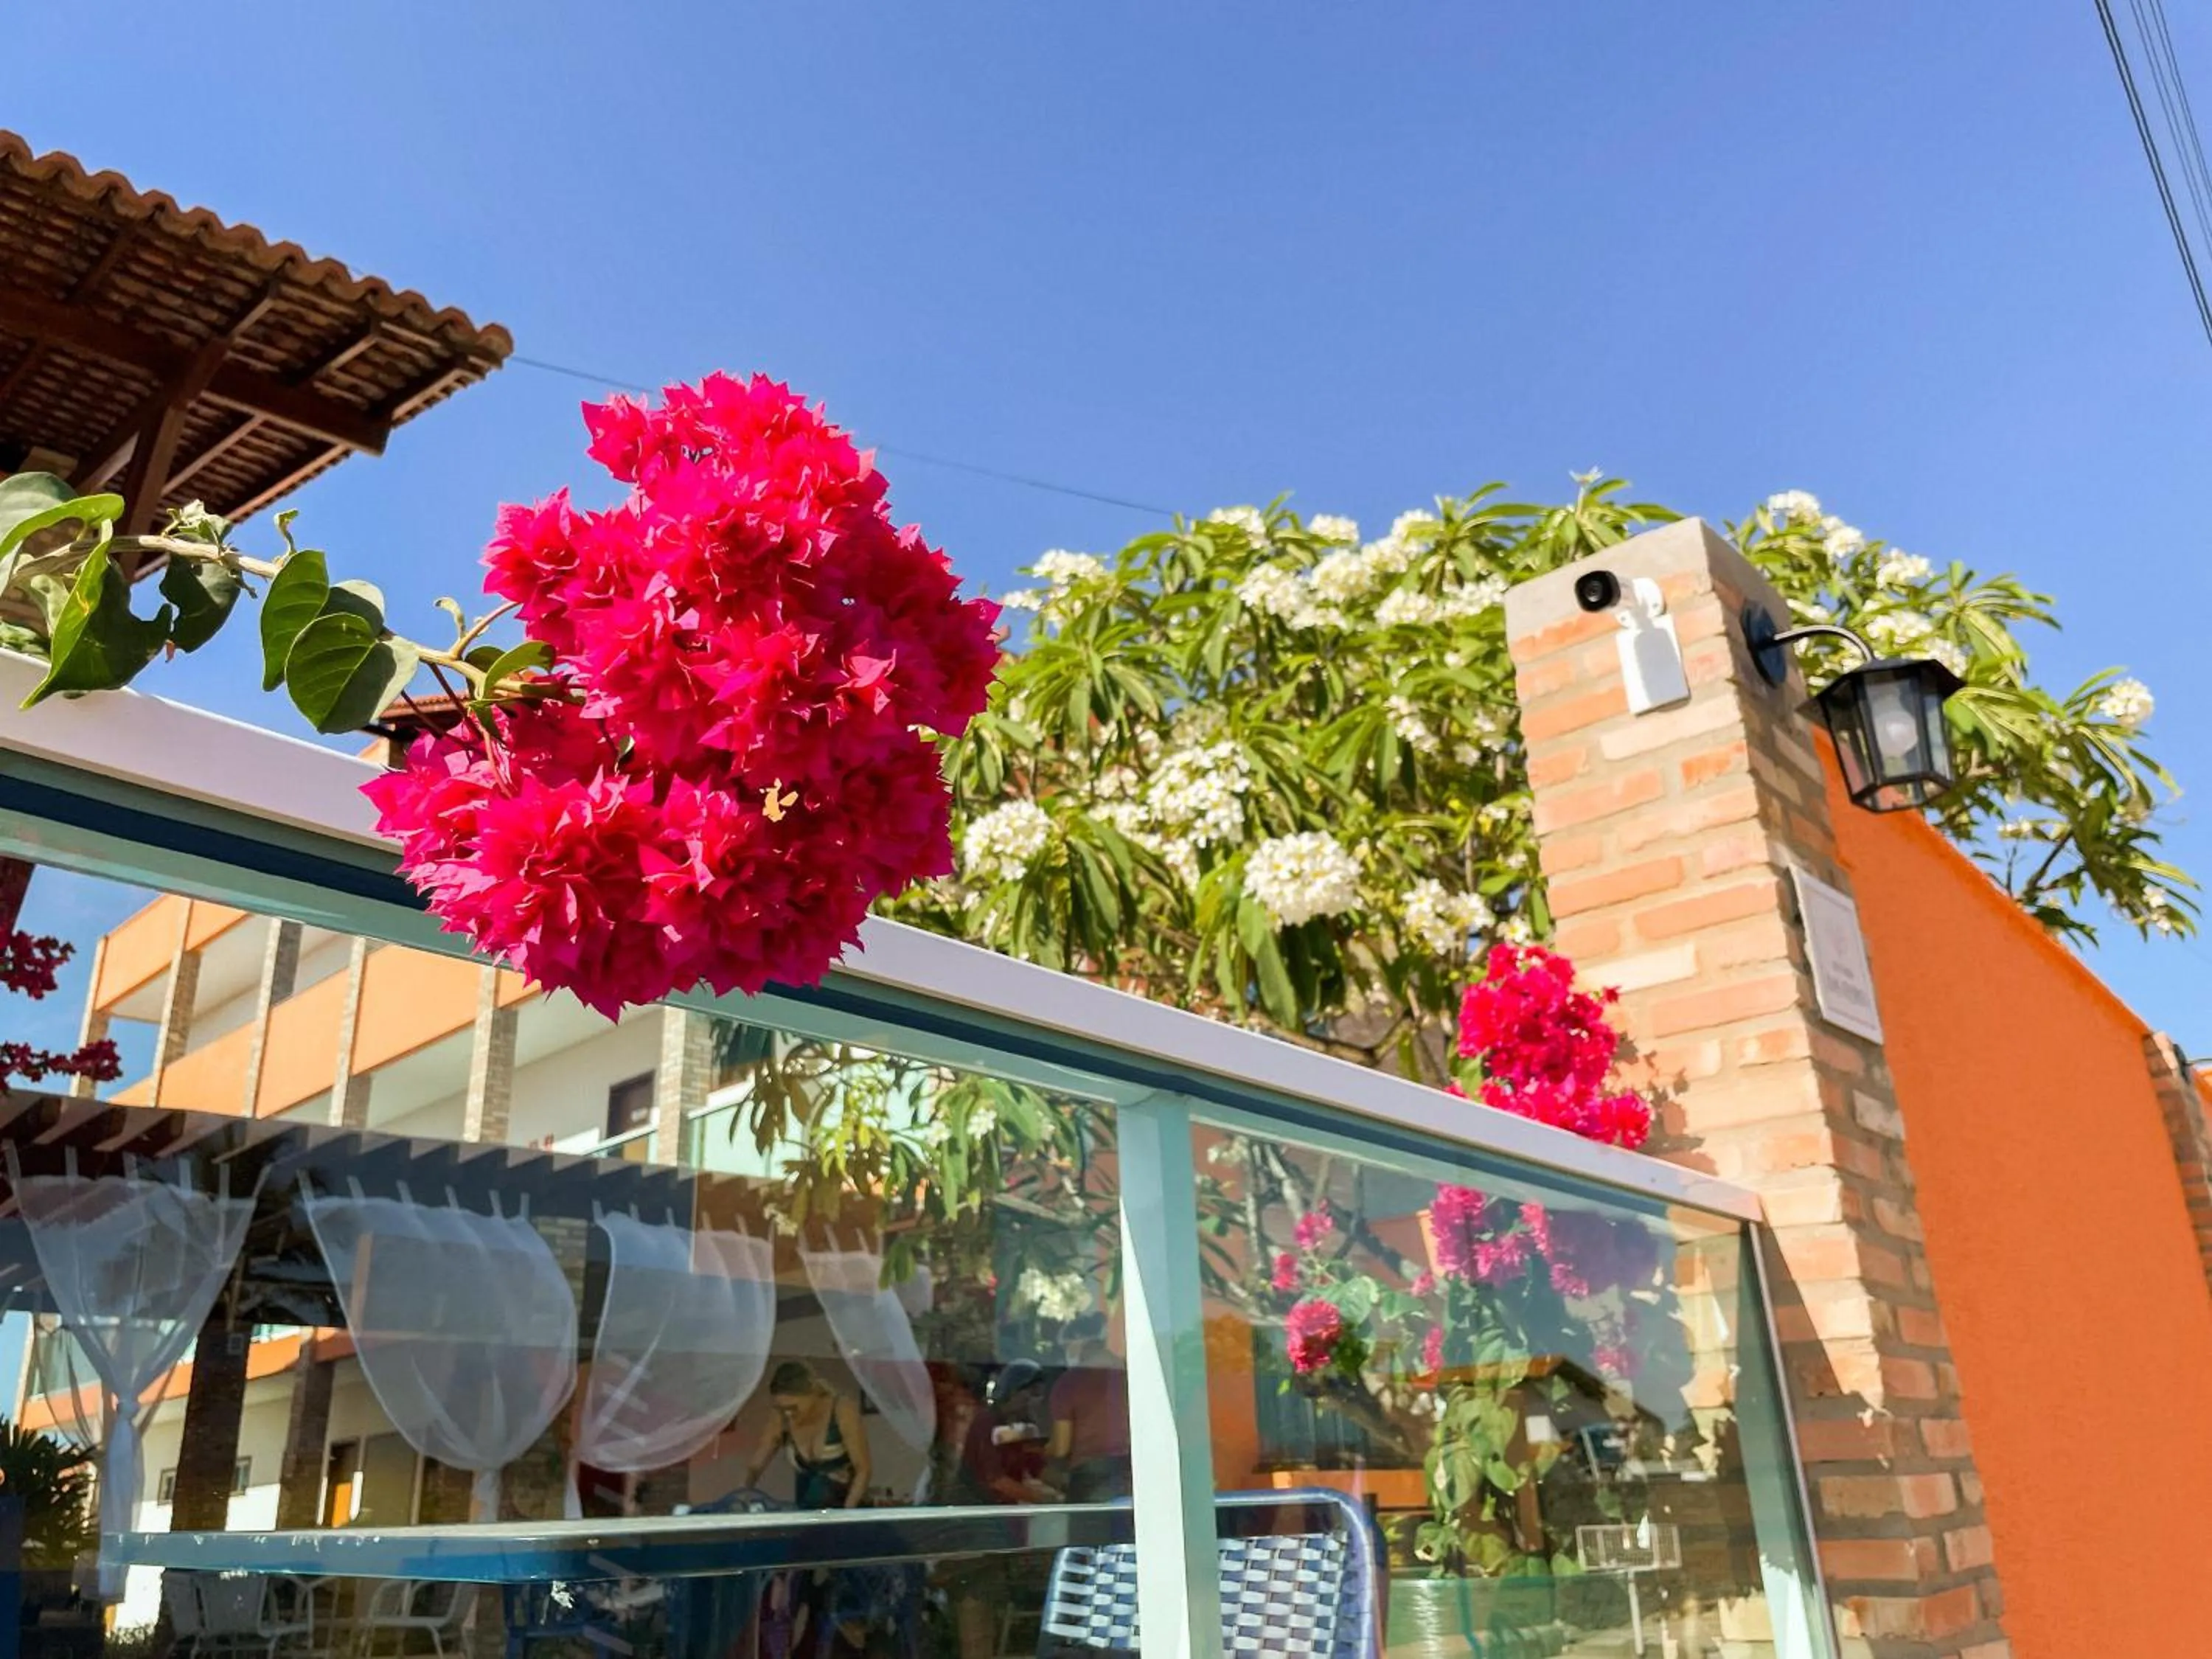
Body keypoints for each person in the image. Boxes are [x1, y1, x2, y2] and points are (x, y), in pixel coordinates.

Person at [742, 1361, 873, 1509]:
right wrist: (743, 1493)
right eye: (782, 1408)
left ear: (812, 1394)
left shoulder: (842, 1410)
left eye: (793, 1407)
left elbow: (863, 1469)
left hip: (848, 1510)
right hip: (806, 1514)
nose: (788, 1413)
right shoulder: (781, 1418)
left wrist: (846, 1515)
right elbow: (755, 1467)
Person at [1047, 1318, 1132, 1502]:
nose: (1067, 1352)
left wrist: (1046, 1450)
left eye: (1068, 1346)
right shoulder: (1131, 1376)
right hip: (1132, 1472)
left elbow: (1062, 1447)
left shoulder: (1069, 1383)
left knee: (1089, 1530)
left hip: (1090, 1477)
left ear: (1080, 1342)